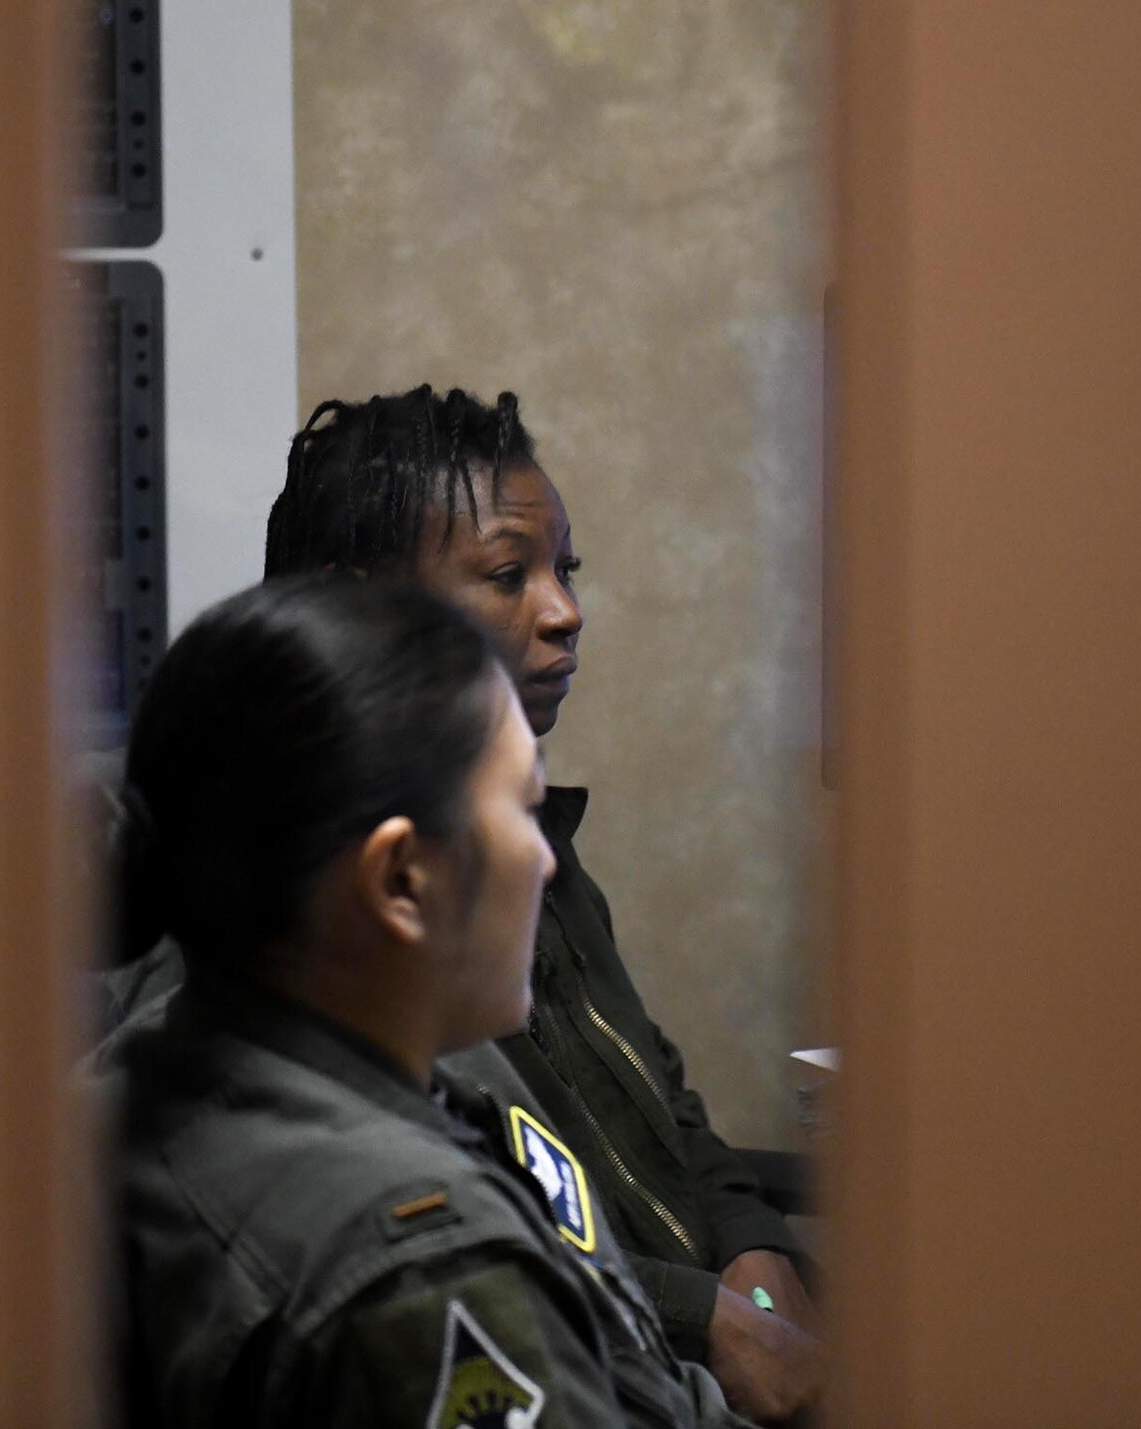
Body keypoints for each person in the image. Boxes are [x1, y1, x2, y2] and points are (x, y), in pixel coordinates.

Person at [258, 387, 827, 1425]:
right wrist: (709, 1319)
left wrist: (754, 1252)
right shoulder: (316, 916)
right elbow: (437, 1227)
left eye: (563, 570)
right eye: (507, 574)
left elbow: (665, 1101)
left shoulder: (524, 843)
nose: (563, 609)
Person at [103, 576, 747, 1427]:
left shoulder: (154, 1073)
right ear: (402, 878)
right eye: (522, 808)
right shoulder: (428, 1272)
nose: (546, 862)